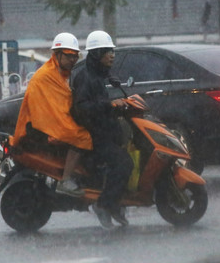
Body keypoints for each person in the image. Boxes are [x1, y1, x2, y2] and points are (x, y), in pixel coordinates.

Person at [10, 32, 93, 197]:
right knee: (83, 137)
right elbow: (56, 111)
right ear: (57, 54)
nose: (73, 60)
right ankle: (66, 180)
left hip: (50, 123)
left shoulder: (61, 74)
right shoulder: (46, 76)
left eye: (76, 56)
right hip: (39, 129)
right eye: (69, 56)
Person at [71, 30, 134, 229]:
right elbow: (82, 109)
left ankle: (115, 202)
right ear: (97, 53)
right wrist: (109, 105)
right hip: (94, 137)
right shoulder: (85, 77)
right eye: (108, 51)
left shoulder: (100, 75)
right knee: (124, 163)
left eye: (112, 50)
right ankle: (105, 205)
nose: (113, 55)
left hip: (105, 133)